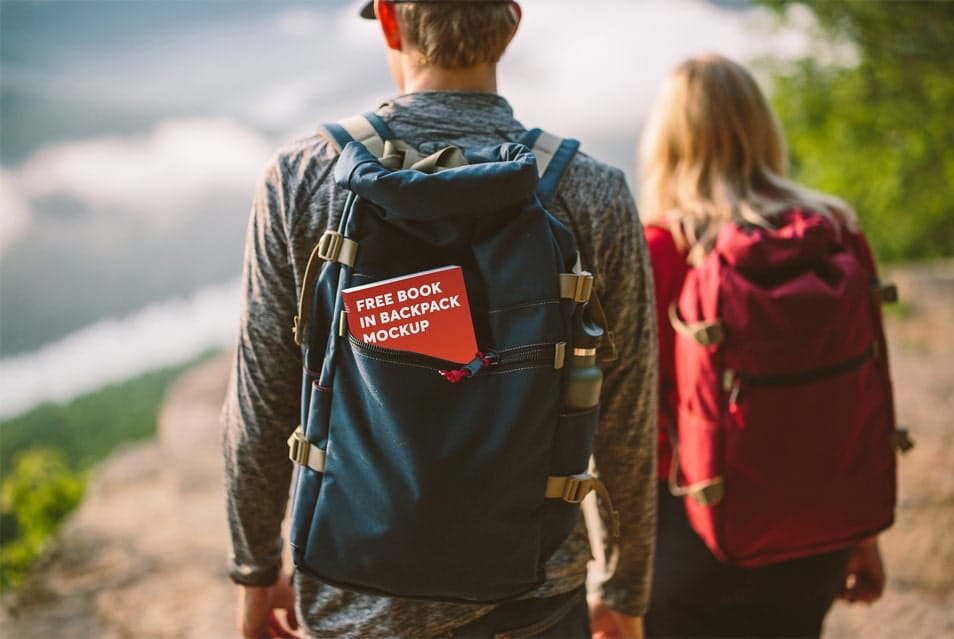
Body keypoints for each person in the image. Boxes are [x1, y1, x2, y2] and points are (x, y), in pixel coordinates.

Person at [222, 1, 658, 637]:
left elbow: (259, 407)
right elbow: (627, 417)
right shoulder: (592, 191)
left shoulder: (303, 178)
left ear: (393, 22)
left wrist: (255, 574)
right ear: (509, 23)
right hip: (535, 598)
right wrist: (625, 591)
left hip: (352, 599)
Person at [637, 53, 887, 639]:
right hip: (817, 529)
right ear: (761, 127)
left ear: (668, 140)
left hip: (690, 527)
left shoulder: (659, 245)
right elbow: (862, 392)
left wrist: (616, 578)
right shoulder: (835, 231)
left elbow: (631, 416)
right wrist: (861, 534)